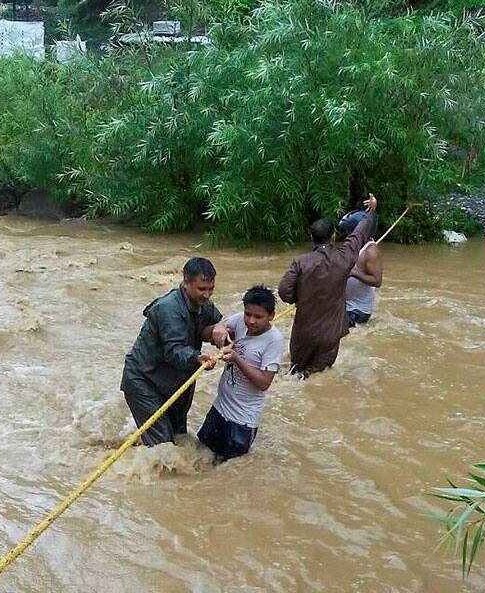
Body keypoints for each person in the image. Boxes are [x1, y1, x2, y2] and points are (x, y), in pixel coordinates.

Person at [120, 257, 230, 446]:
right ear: (186, 282)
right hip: (144, 380)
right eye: (201, 289)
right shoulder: (168, 308)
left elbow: (217, 320)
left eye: (211, 289)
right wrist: (197, 357)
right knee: (163, 446)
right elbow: (174, 351)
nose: (207, 295)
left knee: (179, 437)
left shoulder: (205, 305)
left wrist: (221, 327)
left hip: (176, 381)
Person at [278, 194, 378, 378]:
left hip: (303, 331)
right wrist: (371, 211)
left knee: (294, 375)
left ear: (311, 237)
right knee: (316, 377)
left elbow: (284, 292)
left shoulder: (300, 263)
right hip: (330, 335)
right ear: (333, 236)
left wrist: (300, 298)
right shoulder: (344, 258)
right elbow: (360, 233)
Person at [198, 286, 283, 463]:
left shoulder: (274, 341)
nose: (251, 321)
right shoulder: (239, 321)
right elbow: (205, 334)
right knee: (200, 456)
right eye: (247, 314)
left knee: (226, 472)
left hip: (242, 421)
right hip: (219, 408)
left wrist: (237, 359)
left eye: (258, 317)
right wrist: (219, 328)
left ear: (271, 317)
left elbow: (264, 383)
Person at [337, 210, 383, 326]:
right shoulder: (352, 246)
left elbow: (377, 281)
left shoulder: (370, 251)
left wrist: (354, 273)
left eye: (350, 231)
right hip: (345, 304)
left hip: (358, 309)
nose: (347, 235)